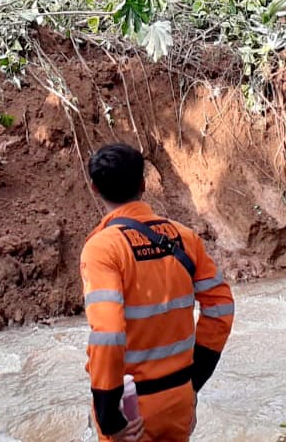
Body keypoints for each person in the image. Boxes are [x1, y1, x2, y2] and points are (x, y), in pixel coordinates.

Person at [80, 143, 235, 441]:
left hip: (131, 411)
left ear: (94, 188)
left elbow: (109, 334)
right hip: (179, 400)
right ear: (143, 183)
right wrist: (192, 384)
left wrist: (109, 416)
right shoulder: (184, 238)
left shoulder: (102, 249)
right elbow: (222, 308)